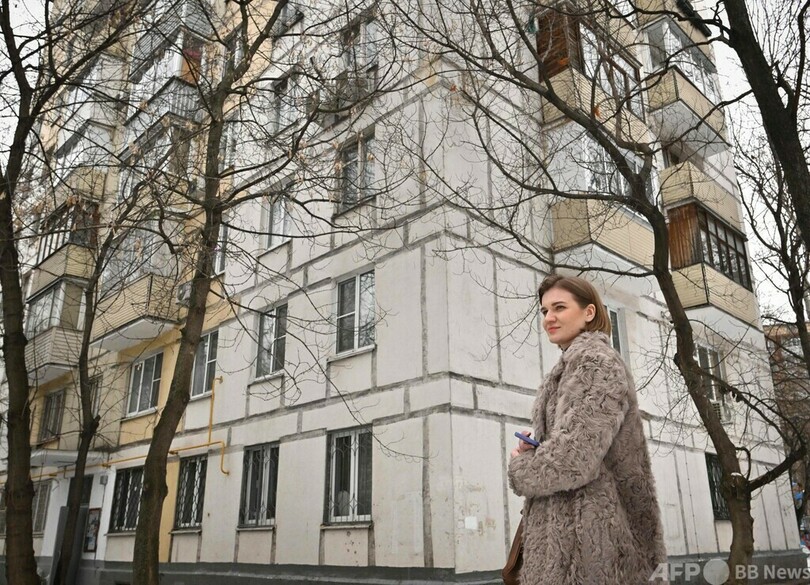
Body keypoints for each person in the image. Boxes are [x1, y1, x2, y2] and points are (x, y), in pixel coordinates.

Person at [508, 274, 667, 584]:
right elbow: (576, 447)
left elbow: (572, 460)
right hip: (569, 544)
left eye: (559, 308)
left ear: (589, 312)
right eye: (544, 311)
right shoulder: (568, 368)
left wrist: (521, 467)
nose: (549, 318)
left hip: (591, 551)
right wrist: (537, 448)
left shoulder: (596, 363)